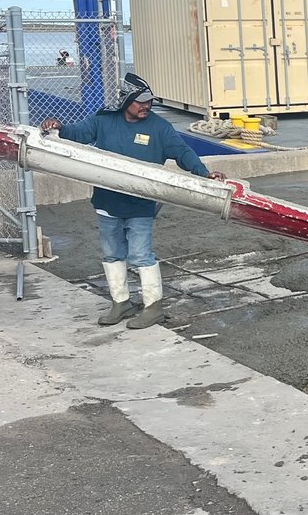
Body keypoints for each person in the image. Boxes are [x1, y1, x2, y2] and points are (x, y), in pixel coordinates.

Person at [40, 72, 226, 329]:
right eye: (141, 101)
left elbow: (183, 152)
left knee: (140, 254)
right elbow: (78, 133)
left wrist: (204, 173)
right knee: (111, 253)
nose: (146, 106)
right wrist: (58, 127)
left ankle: (153, 307)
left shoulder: (159, 128)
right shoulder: (104, 121)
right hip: (107, 202)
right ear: (127, 100)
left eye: (149, 101)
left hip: (141, 204)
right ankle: (121, 303)